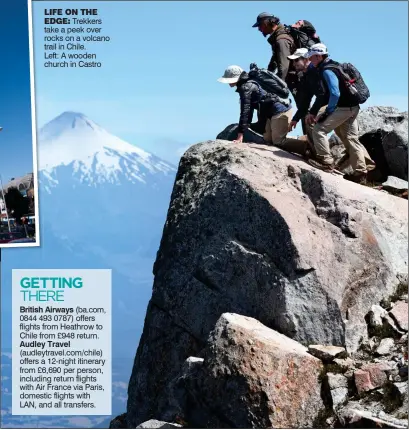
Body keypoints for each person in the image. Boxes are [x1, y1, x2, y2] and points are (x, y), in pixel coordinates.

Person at [304, 44, 376, 183]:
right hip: (353, 107)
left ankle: (326, 162)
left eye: (311, 57)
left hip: (343, 108)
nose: (310, 60)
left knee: (319, 129)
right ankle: (360, 173)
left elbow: (335, 93)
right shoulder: (336, 65)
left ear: (319, 56)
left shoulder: (326, 70)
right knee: (351, 138)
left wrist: (328, 111)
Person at [217, 65, 309, 156]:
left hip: (280, 111)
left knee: (278, 142)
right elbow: (249, 110)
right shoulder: (248, 82)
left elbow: (245, 111)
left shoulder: (246, 87)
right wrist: (246, 127)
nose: (228, 83)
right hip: (271, 113)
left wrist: (240, 135)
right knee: (268, 140)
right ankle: (302, 139)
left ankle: (307, 148)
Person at [287, 48, 327, 141]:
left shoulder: (314, 71)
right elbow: (305, 101)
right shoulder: (306, 76)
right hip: (331, 104)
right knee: (347, 136)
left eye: (296, 60)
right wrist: (295, 119)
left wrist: (313, 113)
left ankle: (318, 154)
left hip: (338, 104)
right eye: (293, 61)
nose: (293, 63)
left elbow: (323, 95)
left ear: (306, 59)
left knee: (311, 122)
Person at [252, 13, 295, 81]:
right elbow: (274, 60)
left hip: (298, 81)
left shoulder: (281, 40)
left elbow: (284, 67)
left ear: (265, 23)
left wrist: (279, 87)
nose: (259, 29)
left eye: (260, 25)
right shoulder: (277, 38)